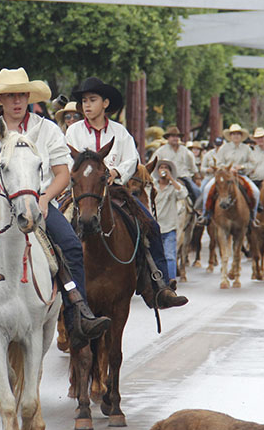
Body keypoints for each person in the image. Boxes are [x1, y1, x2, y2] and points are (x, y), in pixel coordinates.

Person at [0, 67, 111, 348]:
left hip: (38, 198)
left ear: (28, 97)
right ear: (1, 100)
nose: (17, 101)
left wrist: (45, 197)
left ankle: (77, 313)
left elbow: (63, 173)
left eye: (21, 95)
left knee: (70, 245)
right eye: (10, 96)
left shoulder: (48, 129)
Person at [65, 76, 187, 309]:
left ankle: (159, 285)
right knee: (56, 229)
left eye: (92, 100)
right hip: (80, 194)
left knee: (151, 225)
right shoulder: (73, 133)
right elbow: (65, 159)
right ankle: (55, 285)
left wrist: (115, 172)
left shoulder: (120, 133)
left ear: (105, 103)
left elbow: (132, 160)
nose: (87, 105)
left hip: (115, 192)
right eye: (84, 101)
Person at [197, 123, 260, 227]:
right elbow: (219, 162)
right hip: (225, 176)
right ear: (230, 136)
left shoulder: (247, 149)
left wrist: (242, 167)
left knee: (256, 192)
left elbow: (253, 164)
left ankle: (253, 217)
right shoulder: (224, 148)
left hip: (240, 175)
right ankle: (205, 215)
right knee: (207, 188)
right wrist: (227, 169)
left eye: (238, 134)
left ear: (241, 136)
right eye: (233, 134)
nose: (236, 136)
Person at [153, 159, 187, 280]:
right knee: (153, 257)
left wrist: (172, 179)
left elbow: (183, 194)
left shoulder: (174, 187)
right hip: (154, 227)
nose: (163, 170)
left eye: (166, 168)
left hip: (169, 226)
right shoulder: (152, 186)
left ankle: (170, 281)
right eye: (161, 167)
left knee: (170, 256)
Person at [150, 126, 200, 202]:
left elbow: (193, 166)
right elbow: (151, 164)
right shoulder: (160, 151)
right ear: (168, 138)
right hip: (164, 178)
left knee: (196, 191)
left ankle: (198, 211)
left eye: (177, 136)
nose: (175, 138)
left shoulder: (185, 151)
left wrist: (197, 176)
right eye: (173, 136)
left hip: (183, 178)